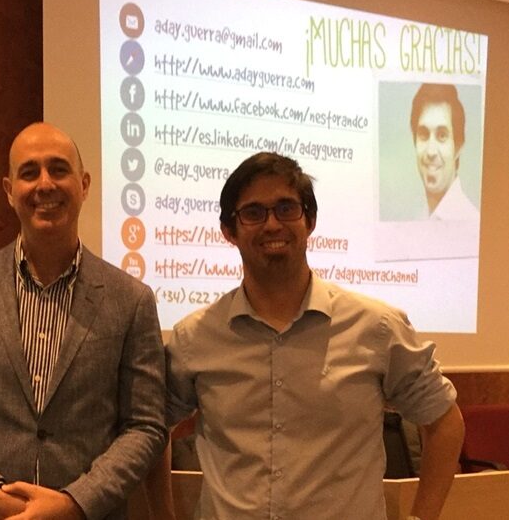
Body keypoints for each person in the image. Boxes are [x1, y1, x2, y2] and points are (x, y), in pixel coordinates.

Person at [165, 152, 465, 520]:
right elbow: (150, 431)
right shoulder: (194, 338)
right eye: (253, 213)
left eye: (286, 208)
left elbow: (444, 422)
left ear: (310, 221)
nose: (272, 224)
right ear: (229, 231)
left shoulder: (377, 328)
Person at [0, 122, 167, 520]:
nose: (45, 184)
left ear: (84, 184)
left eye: (58, 169)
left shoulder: (132, 300)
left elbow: (145, 426)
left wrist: (75, 503)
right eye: (29, 173)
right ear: (9, 191)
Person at [410, 83, 479, 220]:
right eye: (424, 134)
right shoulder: (420, 219)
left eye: (442, 135)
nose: (431, 151)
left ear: (458, 147)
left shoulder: (470, 220)